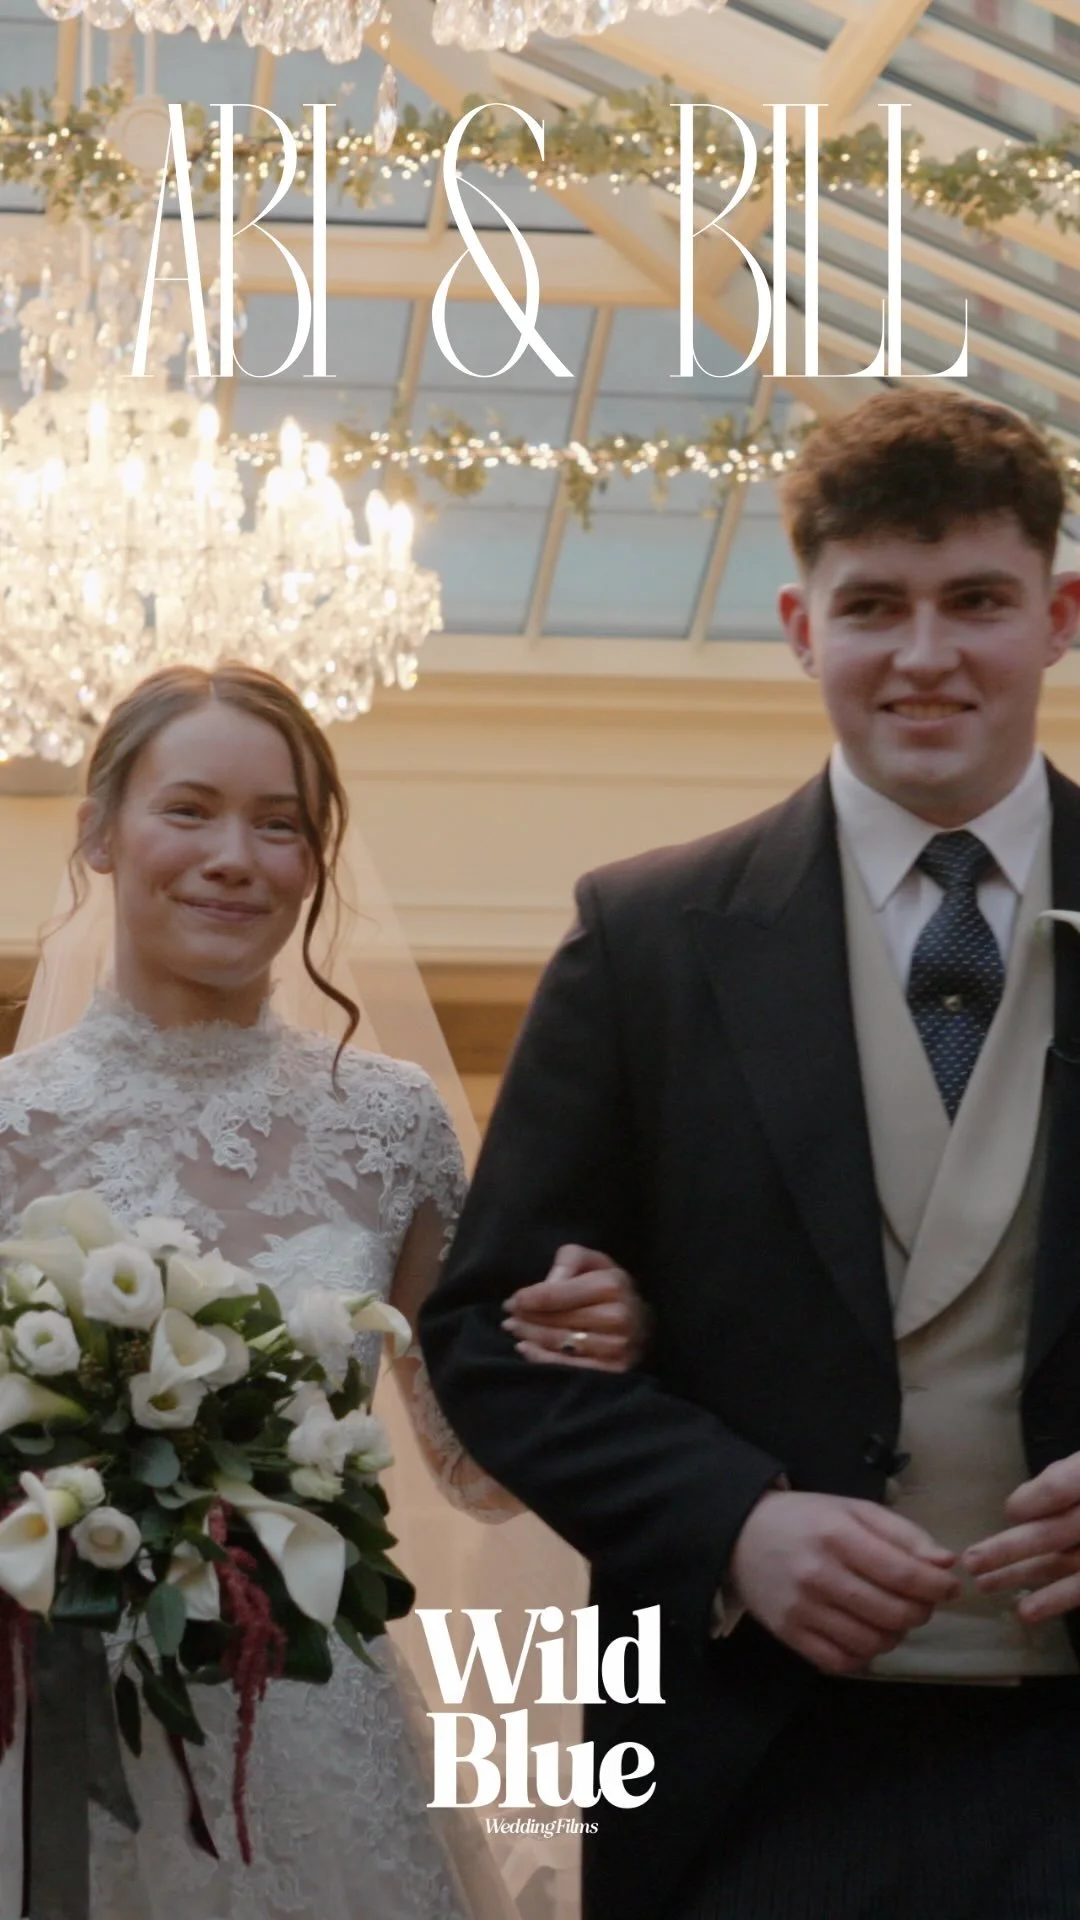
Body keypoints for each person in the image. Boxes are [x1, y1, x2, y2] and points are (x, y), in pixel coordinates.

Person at [419, 390, 1080, 1920]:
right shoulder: (647, 938)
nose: (925, 655)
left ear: (1058, 617)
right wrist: (732, 1519)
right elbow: (485, 1335)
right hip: (746, 1774)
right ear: (801, 627)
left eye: (977, 601)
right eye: (876, 607)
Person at [0, 661, 646, 1920]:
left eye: (280, 824)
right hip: (51, 1716)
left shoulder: (391, 1124)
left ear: (314, 861)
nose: (234, 858)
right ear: (98, 833)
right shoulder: (10, 1123)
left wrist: (581, 1356)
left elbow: (474, 1471)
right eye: (189, 810)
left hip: (304, 1716)